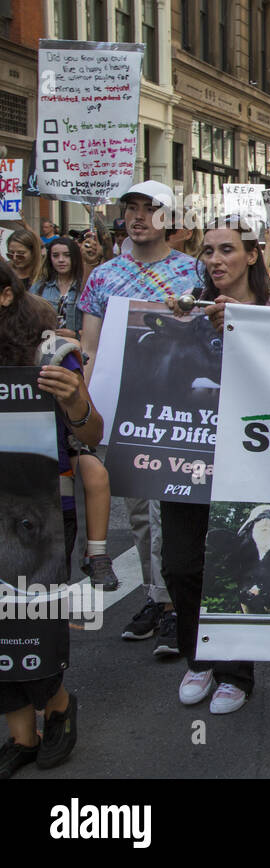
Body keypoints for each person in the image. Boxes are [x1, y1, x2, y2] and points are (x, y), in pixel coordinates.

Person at [158, 221, 270, 717]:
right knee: (181, 564)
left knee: (233, 562)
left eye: (227, 250)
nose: (215, 260)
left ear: (252, 255)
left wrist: (249, 324)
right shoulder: (185, 309)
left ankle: (234, 671)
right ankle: (197, 657)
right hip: (189, 456)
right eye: (207, 251)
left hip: (247, 458)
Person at [78, 181, 200, 649]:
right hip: (122, 404)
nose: (138, 216)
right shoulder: (103, 276)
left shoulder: (192, 272)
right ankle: (156, 594)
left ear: (170, 219)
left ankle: (173, 603)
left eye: (150, 209)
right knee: (139, 510)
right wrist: (84, 410)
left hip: (177, 407)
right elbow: (89, 346)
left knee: (168, 504)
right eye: (131, 208)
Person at [0, 262, 104, 777]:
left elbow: (91, 434)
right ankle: (21, 735)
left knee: (26, 621)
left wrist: (75, 399)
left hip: (39, 511)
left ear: (4, 297)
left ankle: (57, 703)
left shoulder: (50, 351)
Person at [32, 237, 84, 341]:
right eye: (55, 255)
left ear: (75, 257)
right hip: (46, 346)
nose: (61, 260)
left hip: (77, 349)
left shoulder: (84, 286)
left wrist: (75, 335)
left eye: (67, 255)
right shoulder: (39, 287)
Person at [5, 223, 44, 288]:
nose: (14, 258)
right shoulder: (4, 272)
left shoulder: (45, 275)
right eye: (11, 253)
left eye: (21, 253)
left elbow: (43, 246)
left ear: (33, 252)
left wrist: (25, 224)